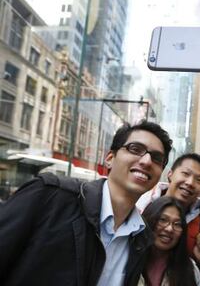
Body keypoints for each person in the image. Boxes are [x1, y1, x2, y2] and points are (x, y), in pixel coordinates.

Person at [0, 120, 173, 286]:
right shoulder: (48, 195)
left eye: (157, 158)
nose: (147, 161)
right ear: (110, 158)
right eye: (135, 149)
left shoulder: (141, 240)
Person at [136, 153, 200, 282]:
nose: (190, 183)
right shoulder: (140, 203)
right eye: (186, 174)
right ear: (170, 174)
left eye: (198, 180)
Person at [139, 196, 200, 286]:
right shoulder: (129, 259)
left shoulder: (190, 269)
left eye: (177, 224)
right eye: (163, 220)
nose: (169, 229)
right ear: (149, 220)